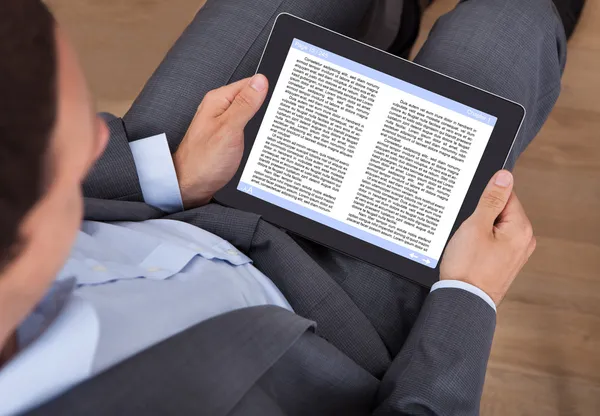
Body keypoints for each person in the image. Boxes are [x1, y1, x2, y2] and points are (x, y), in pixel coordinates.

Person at [0, 0, 582, 414]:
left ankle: (392, 16)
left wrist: (165, 175)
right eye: (76, 142)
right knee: (514, 21)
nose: (105, 136)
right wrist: (469, 298)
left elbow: (85, 152)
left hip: (169, 189)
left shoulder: (76, 175)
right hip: (338, 323)